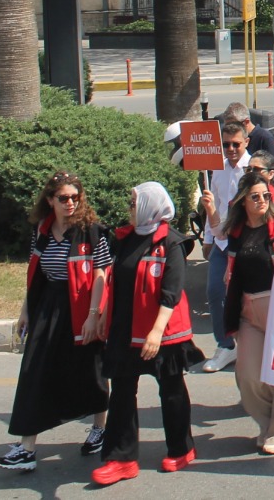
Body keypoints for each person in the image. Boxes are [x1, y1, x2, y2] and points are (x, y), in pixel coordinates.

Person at [0, 172, 111, 472]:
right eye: (64, 198)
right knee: (35, 371)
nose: (71, 203)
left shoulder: (92, 231)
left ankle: (100, 428)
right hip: (49, 304)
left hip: (84, 307)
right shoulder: (42, 231)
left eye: (75, 197)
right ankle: (26, 447)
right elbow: (37, 274)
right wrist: (26, 310)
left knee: (91, 371)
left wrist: (93, 315)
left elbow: (101, 274)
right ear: (50, 200)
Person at [91, 183, 203, 485]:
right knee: (123, 393)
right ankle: (120, 458)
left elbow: (172, 292)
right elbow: (115, 280)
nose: (129, 207)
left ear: (149, 206)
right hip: (125, 330)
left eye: (133, 202)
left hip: (161, 334)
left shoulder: (172, 243)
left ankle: (181, 449)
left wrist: (155, 332)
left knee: (172, 390)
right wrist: (102, 314)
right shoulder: (124, 238)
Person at [219, 178, 274, 455]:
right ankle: (268, 424)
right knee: (248, 374)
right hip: (248, 310)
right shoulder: (237, 233)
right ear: (243, 201)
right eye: (254, 196)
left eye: (265, 195)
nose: (261, 200)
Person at [195, 120, 250, 373]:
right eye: (225, 144)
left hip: (245, 243)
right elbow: (212, 207)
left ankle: (249, 347)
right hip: (220, 242)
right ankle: (225, 345)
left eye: (235, 144)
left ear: (245, 142)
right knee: (215, 292)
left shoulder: (253, 169)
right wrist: (208, 239)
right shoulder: (216, 170)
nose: (230, 149)